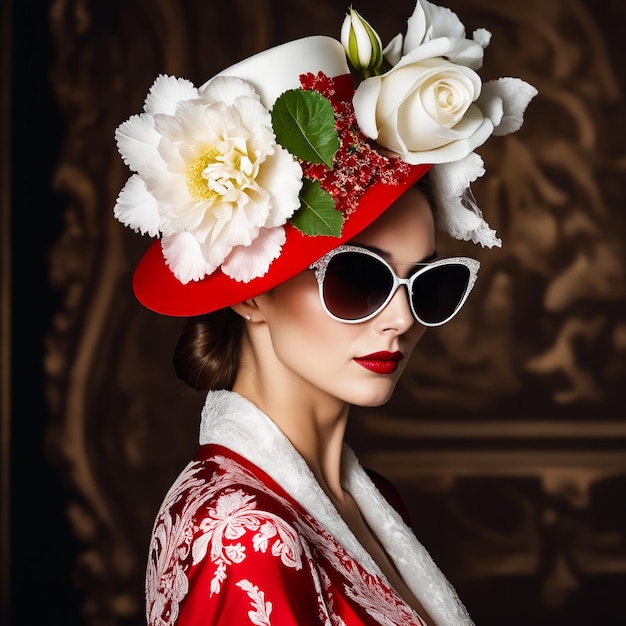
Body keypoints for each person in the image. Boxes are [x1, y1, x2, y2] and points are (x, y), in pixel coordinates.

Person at [113, 1, 536, 624]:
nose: (401, 319)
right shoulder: (244, 536)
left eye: (429, 283)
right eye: (359, 278)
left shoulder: (365, 503)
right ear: (250, 292)